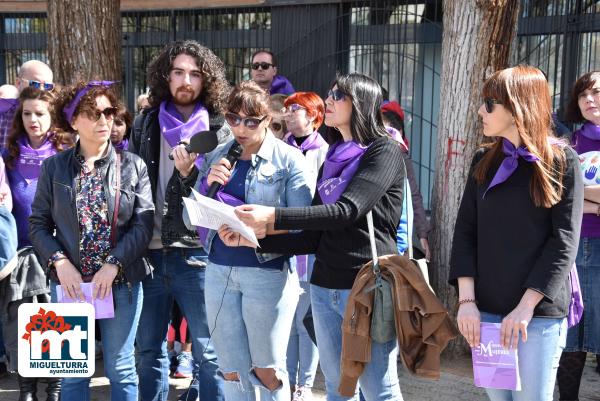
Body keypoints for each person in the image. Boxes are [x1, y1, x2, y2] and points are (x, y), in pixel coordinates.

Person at [224, 73, 406, 401]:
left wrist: (273, 216)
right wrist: (254, 239)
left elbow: (346, 211)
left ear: (361, 102)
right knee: (338, 390)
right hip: (324, 289)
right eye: (330, 92)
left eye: (339, 94)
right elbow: (314, 237)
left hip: (366, 288)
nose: (330, 99)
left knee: (379, 390)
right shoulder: (334, 155)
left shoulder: (385, 151)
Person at [172, 79, 311, 401]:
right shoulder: (219, 154)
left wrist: (259, 228)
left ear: (267, 120)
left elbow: (304, 223)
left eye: (251, 121)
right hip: (219, 272)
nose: (241, 128)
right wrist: (202, 184)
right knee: (231, 369)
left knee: (267, 370)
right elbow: (189, 220)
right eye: (234, 119)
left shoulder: (289, 160)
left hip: (267, 273)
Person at [449, 66, 582, 401]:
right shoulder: (483, 160)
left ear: (519, 107)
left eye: (489, 103)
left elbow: (563, 244)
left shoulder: (563, 161)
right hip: (487, 313)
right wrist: (467, 302)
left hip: (536, 316)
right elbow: (465, 231)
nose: (481, 110)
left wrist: (525, 308)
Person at [28, 81, 154, 401]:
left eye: (108, 112)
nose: (104, 120)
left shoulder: (133, 166)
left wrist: (114, 264)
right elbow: (38, 225)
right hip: (71, 284)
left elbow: (143, 225)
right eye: (93, 113)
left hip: (121, 282)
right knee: (72, 375)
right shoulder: (53, 167)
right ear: (73, 122)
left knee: (121, 368)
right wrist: (60, 262)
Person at [128, 39, 230, 401]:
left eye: (195, 74)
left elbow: (224, 194)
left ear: (207, 80)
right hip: (149, 254)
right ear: (165, 77)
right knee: (147, 352)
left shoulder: (222, 128)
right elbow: (131, 183)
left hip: (197, 254)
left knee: (209, 353)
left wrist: (189, 177)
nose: (186, 80)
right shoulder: (144, 123)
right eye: (178, 72)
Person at [281, 91, 328, 401]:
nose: (288, 114)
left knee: (304, 320)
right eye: (286, 109)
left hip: (311, 247)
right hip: (284, 241)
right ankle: (285, 379)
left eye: (294, 109)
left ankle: (305, 383)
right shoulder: (280, 148)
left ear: (313, 115)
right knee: (286, 320)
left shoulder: (324, 152)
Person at [556, 71, 600, 401]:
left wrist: (582, 196)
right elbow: (559, 195)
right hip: (573, 247)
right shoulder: (568, 144)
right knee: (572, 336)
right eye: (583, 94)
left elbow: (574, 192)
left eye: (596, 93)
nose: (589, 99)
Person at [380, 101, 430, 260]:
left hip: (395, 238)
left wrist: (422, 234)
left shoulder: (402, 156)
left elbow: (413, 196)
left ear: (398, 132)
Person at [0, 60, 54, 150]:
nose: (41, 90)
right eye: (35, 84)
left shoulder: (59, 117)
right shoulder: (3, 114)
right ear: (18, 83)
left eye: (47, 86)